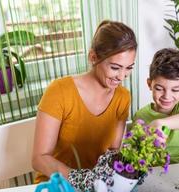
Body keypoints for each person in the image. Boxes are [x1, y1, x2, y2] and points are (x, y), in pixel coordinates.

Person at [32, 20, 137, 183]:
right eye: (115, 67)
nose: (122, 76)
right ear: (93, 57)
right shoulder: (59, 91)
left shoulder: (123, 97)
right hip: (56, 184)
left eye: (129, 67)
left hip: (96, 185)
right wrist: (80, 179)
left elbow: (113, 151)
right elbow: (39, 158)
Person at [133, 48, 179, 163]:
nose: (167, 96)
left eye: (175, 90)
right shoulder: (141, 115)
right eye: (159, 89)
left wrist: (160, 123)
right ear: (150, 84)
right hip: (156, 171)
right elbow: (137, 150)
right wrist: (146, 140)